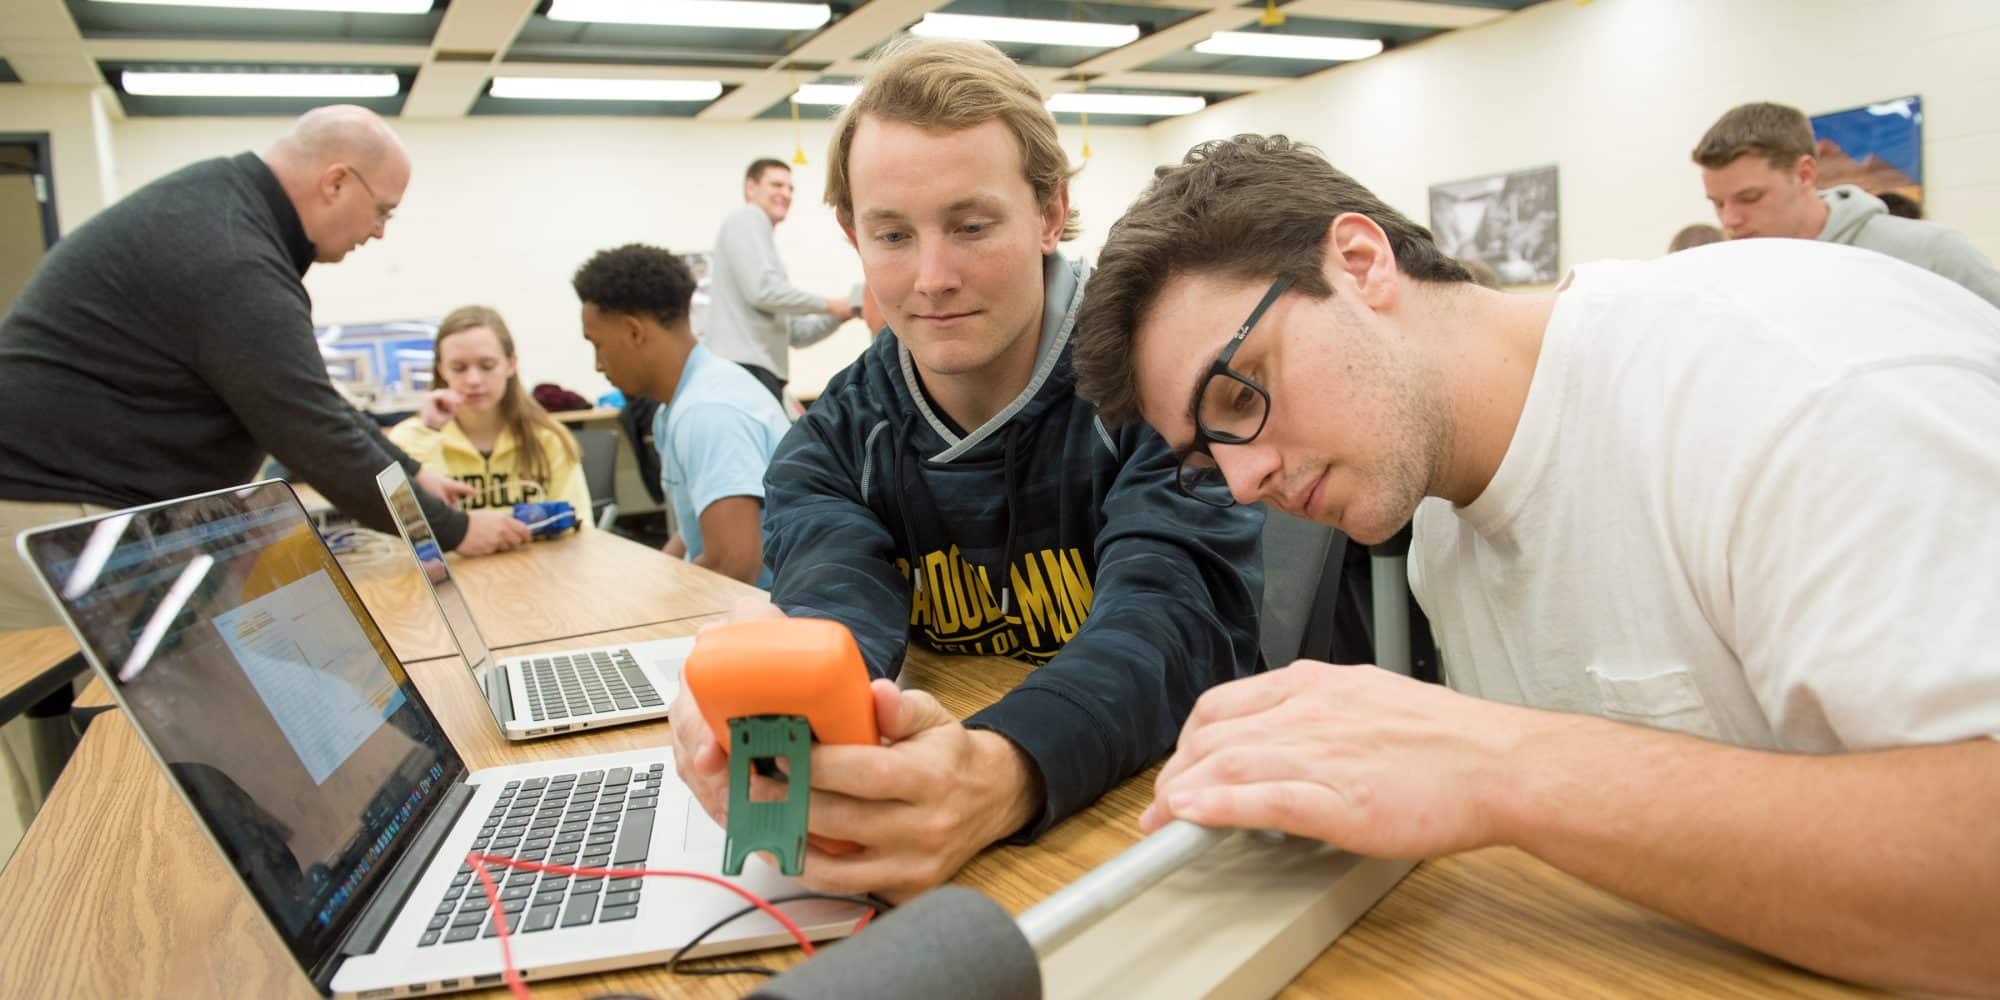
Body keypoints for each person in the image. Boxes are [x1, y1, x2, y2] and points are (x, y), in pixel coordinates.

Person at [1068, 133, 2000, 995]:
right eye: (1204, 457)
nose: (1242, 478)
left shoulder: (1790, 391)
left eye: (1239, 393)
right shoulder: (1442, 514)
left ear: (1359, 261)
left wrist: (1494, 765)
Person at [668, 38, 1267, 901]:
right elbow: (834, 606)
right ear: (852, 236)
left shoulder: (1163, 388)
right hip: (968, 856)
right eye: (893, 235)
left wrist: (995, 773)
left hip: (1173, 837)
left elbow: (1169, 622)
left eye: (972, 225)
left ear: (1050, 211)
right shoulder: (833, 441)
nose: (933, 278)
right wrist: (776, 723)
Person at [0, 105, 529, 633]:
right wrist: (454, 531)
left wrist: (411, 474)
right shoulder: (234, 255)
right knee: (165, 692)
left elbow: (313, 401)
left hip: (79, 497)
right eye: (382, 211)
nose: (378, 232)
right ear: (337, 182)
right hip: (55, 504)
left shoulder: (224, 211)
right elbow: (311, 431)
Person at [573, 243, 789, 586]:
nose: (598, 364)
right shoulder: (683, 401)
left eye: (597, 344)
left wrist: (651, 611)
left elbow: (733, 563)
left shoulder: (707, 411)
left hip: (767, 619)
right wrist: (651, 582)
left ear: (634, 332)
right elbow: (696, 534)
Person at [1693, 101, 2000, 309]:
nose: (1730, 220)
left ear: (1805, 174)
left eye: (1750, 198)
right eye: (1718, 204)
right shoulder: (1736, 276)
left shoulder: (1931, 253)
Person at [387, 305, 592, 517]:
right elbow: (408, 529)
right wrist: (428, 434)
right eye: (459, 368)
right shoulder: (407, 440)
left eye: (487, 366)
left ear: (510, 364)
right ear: (441, 370)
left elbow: (579, 529)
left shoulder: (549, 439)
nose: (473, 380)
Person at [704, 157, 858, 401]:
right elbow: (763, 292)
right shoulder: (748, 218)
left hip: (760, 373)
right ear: (751, 188)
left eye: (790, 188)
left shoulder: (764, 246)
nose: (785, 193)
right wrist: (831, 304)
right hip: (743, 370)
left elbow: (796, 333)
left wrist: (843, 312)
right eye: (776, 185)